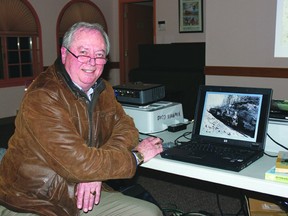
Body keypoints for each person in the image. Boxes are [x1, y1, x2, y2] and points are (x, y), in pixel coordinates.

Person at [0, 22, 163, 216]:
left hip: (82, 188)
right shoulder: (43, 96)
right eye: (83, 52)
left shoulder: (103, 90)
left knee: (149, 212)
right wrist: (137, 156)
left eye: (99, 55)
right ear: (64, 53)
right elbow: (79, 164)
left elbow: (126, 128)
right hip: (31, 199)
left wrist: (94, 172)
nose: (92, 62)